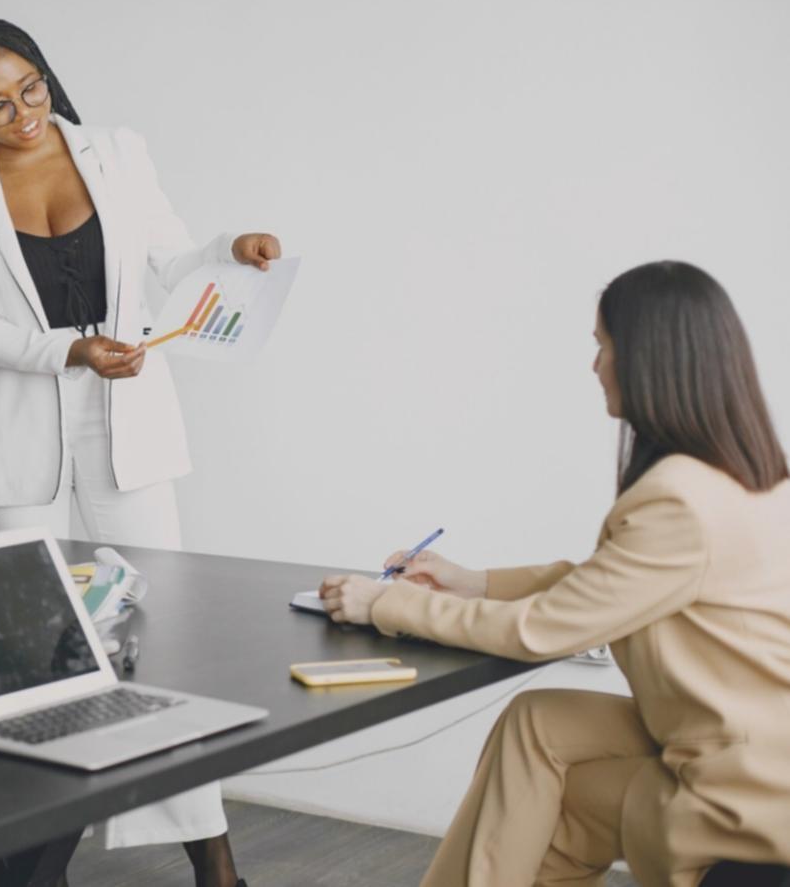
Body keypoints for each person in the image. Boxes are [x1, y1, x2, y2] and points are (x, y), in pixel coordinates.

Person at [0, 18, 278, 886]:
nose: (23, 114)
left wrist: (226, 248)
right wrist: (68, 351)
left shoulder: (115, 151)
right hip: (20, 419)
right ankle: (28, 867)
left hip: (128, 407)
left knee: (161, 638)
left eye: (31, 89)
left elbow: (166, 256)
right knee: (28, 651)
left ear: (46, 76)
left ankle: (213, 863)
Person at [319, 261, 790, 887]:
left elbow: (540, 631)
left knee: (560, 809)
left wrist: (383, 604)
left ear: (646, 358)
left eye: (602, 345)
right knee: (540, 722)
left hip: (747, 788)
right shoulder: (744, 477)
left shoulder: (679, 499)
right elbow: (606, 579)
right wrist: (473, 581)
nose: (594, 365)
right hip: (745, 744)